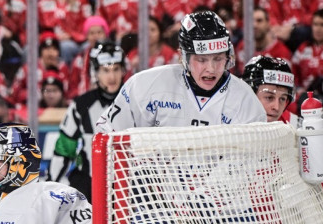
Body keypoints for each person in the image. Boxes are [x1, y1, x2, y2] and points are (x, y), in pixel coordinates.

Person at [96, 10, 266, 133]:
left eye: (218, 58)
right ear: (183, 57)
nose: (211, 68)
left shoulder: (245, 100)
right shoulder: (144, 86)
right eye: (201, 59)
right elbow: (107, 132)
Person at [50, 41, 126, 202]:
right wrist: (50, 187)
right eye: (105, 70)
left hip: (126, 185)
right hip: (88, 185)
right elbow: (64, 150)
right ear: (95, 73)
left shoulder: (134, 101)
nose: (112, 77)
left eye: (116, 69)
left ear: (123, 70)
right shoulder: (81, 105)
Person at [241, 55, 299, 126]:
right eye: (269, 97)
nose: (276, 107)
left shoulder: (295, 125)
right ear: (249, 95)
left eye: (282, 99)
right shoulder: (229, 119)